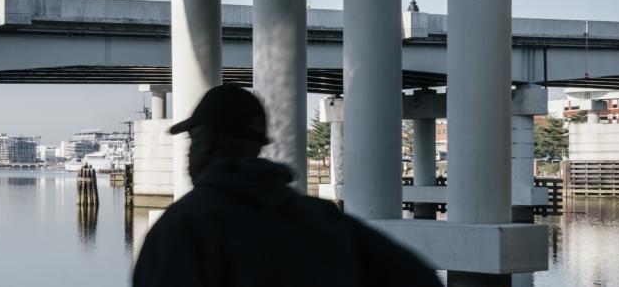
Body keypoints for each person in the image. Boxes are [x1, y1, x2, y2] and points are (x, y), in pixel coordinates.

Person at [132, 85, 442, 287]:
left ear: (208, 141)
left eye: (192, 139)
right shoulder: (321, 220)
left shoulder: (184, 228)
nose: (188, 151)